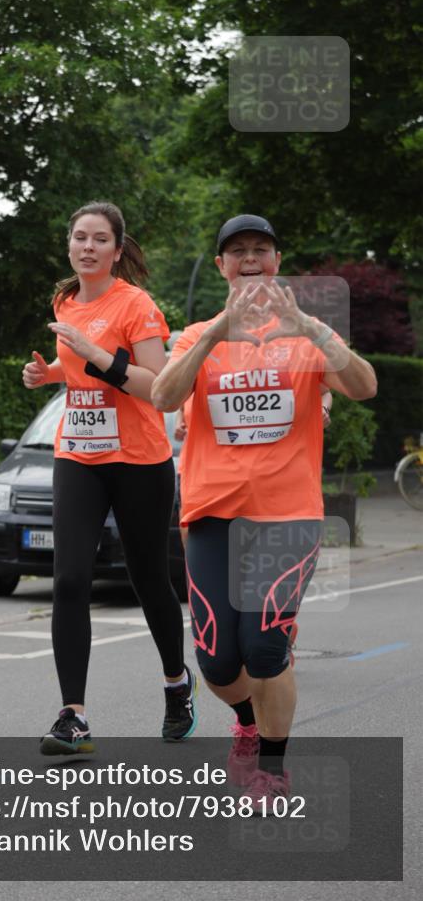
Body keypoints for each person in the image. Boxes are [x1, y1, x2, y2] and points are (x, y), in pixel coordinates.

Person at [151, 214, 377, 807]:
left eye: (261, 250)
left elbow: (364, 385)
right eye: (237, 252)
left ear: (277, 261)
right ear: (222, 265)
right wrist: (213, 335)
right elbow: (163, 396)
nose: (250, 259)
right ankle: (247, 723)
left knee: (265, 649)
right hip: (211, 512)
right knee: (218, 659)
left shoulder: (307, 335)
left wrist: (306, 325)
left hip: (287, 514)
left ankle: (272, 768)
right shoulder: (196, 334)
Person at [22, 202, 197, 754]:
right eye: (80, 237)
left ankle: (176, 682)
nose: (88, 247)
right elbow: (76, 371)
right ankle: (72, 716)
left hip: (138, 459)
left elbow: (159, 388)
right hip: (78, 454)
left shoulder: (136, 304)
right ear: (69, 245)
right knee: (70, 579)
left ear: (118, 251)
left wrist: (97, 355)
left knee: (150, 582)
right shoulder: (64, 301)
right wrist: (48, 372)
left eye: (100, 239)